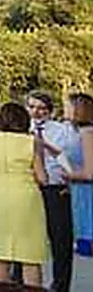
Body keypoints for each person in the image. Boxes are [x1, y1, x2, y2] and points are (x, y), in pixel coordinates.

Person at [0, 100, 49, 287]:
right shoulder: (31, 142)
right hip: (25, 197)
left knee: (0, 255)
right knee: (30, 256)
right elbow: (42, 177)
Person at [28, 90, 77, 292]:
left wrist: (44, 145)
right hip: (30, 188)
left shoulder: (62, 130)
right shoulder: (21, 127)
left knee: (60, 240)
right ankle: (21, 280)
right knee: (27, 237)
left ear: (49, 110)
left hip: (55, 187)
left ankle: (60, 284)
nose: (36, 112)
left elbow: (70, 159)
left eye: (41, 108)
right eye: (32, 107)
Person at [65, 93, 93, 259]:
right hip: (80, 195)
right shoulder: (80, 133)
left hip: (87, 197)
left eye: (68, 106)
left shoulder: (87, 134)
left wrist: (68, 175)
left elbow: (89, 172)